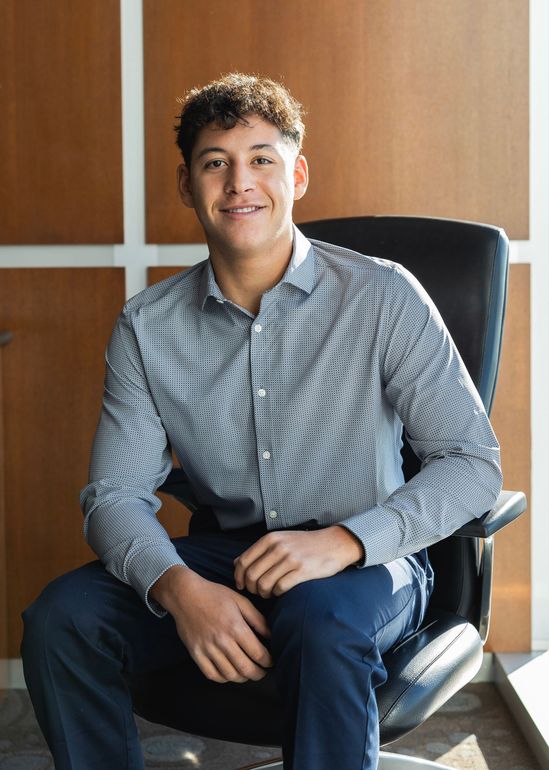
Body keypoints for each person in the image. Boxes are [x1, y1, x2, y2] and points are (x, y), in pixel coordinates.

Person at [21, 73, 502, 770]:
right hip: (227, 557)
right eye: (215, 163)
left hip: (368, 561)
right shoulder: (147, 328)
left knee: (321, 619)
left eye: (261, 160)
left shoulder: (383, 296)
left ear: (296, 175)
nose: (239, 182)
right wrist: (178, 589)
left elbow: (470, 463)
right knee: (64, 617)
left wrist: (344, 541)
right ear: (188, 185)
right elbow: (113, 496)